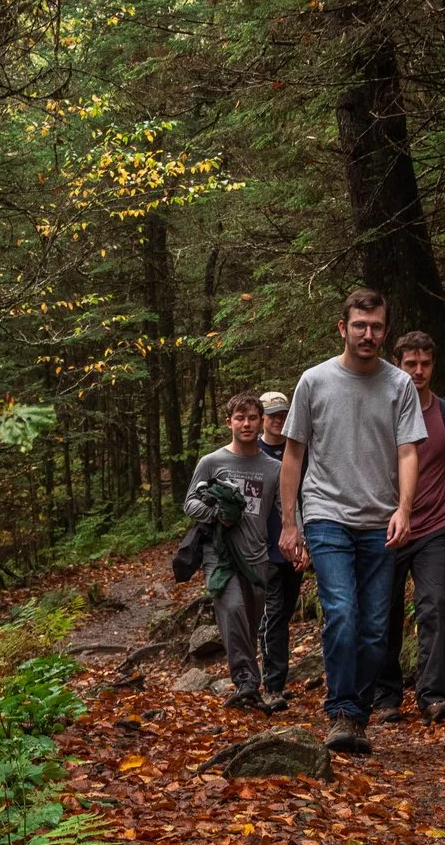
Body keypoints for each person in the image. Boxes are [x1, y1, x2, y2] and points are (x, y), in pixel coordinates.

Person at [278, 287, 426, 756]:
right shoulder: (314, 382)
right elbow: (293, 453)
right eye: (359, 326)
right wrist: (290, 522)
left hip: (380, 519)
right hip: (326, 514)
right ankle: (342, 711)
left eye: (377, 327)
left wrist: (404, 507)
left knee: (377, 628)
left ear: (386, 329)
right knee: (341, 612)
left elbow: (408, 450)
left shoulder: (399, 385)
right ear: (343, 328)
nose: (368, 335)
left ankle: (356, 714)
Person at [366, 331, 445, 724]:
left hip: (435, 530)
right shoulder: (379, 412)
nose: (418, 371)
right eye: (410, 364)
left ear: (434, 365)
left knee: (435, 607)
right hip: (383, 530)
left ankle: (433, 694)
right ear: (396, 364)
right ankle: (386, 696)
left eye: (425, 364)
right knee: (383, 614)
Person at [182, 392, 284, 709]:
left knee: (248, 625)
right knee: (233, 610)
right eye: (240, 418)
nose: (247, 424)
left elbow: (285, 510)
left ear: (261, 421)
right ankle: (247, 683)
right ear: (229, 423)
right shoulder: (212, 463)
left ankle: (249, 687)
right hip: (221, 557)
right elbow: (190, 503)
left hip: (257, 558)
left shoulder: (274, 468)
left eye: (253, 417)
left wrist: (299, 541)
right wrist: (217, 515)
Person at [255, 389, 303, 711]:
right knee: (273, 616)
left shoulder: (298, 450)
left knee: (282, 615)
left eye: (283, 414)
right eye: (272, 414)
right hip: (264, 550)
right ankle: (272, 686)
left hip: (295, 548)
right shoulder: (250, 451)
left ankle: (274, 679)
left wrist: (306, 541)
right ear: (262, 418)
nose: (278, 420)